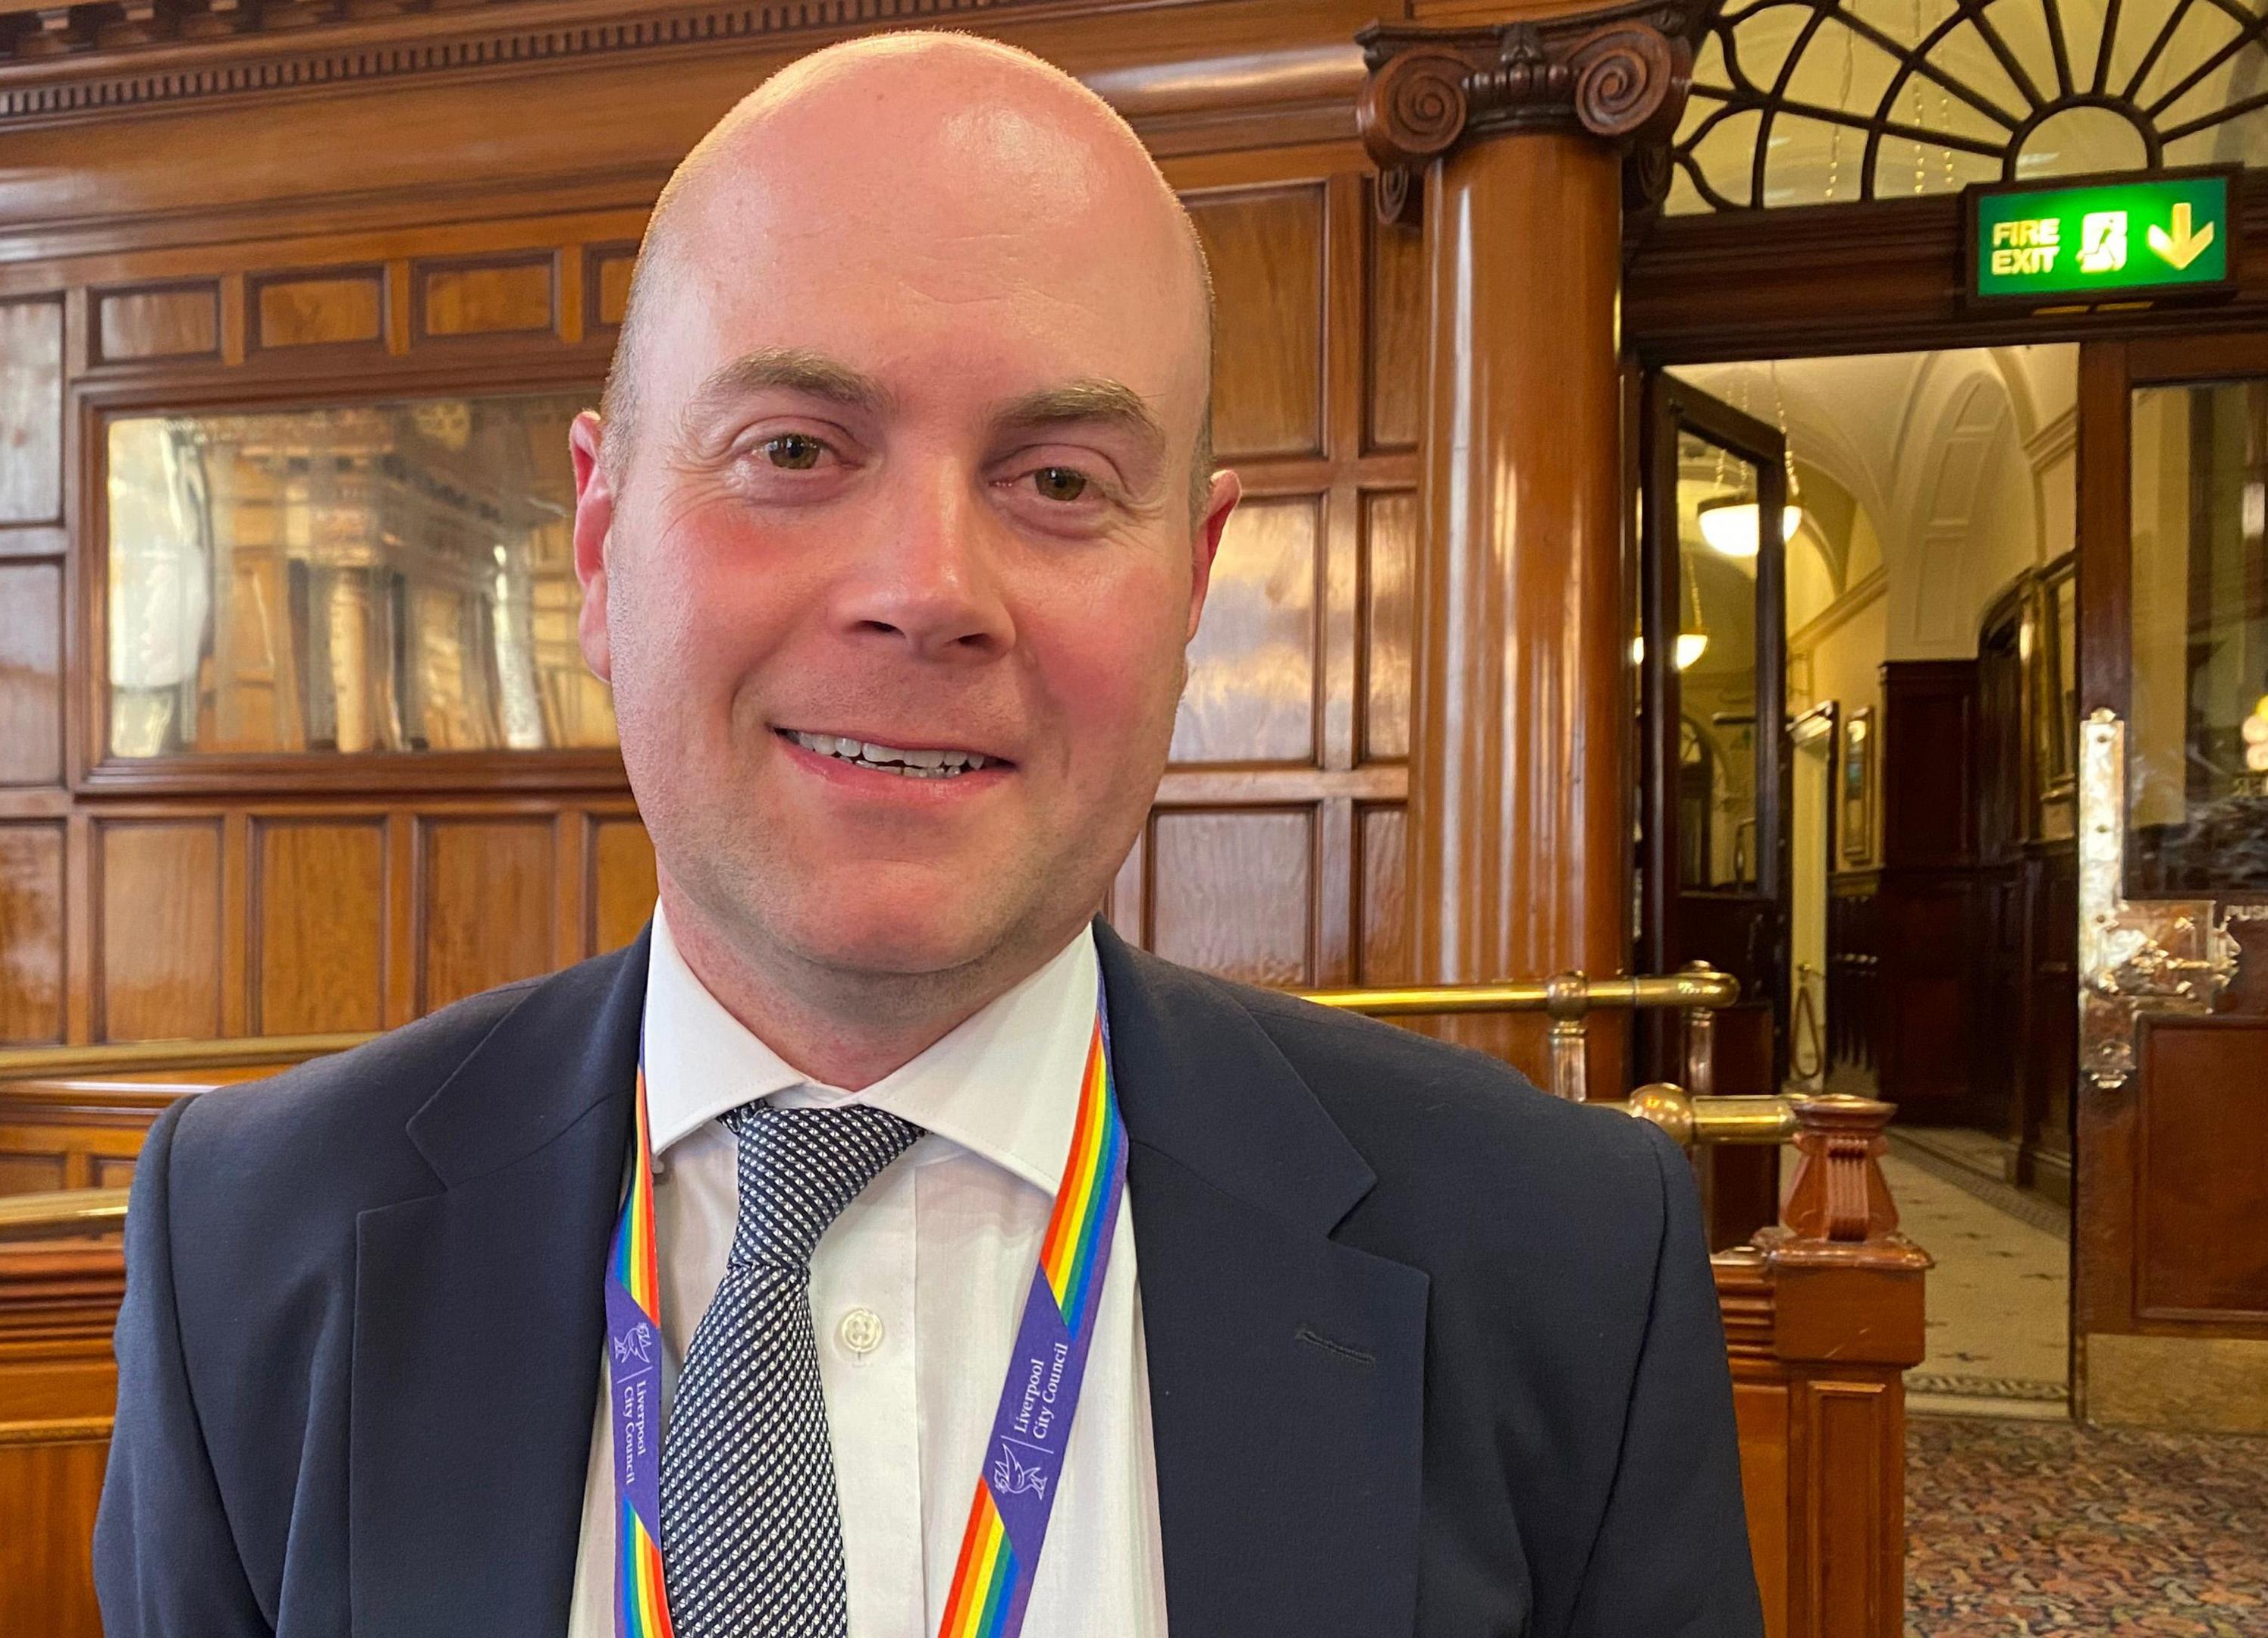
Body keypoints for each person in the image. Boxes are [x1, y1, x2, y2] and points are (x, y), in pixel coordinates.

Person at [95, 30, 1761, 1638]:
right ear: (600, 549)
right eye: (797, 450)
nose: (927, 595)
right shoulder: (254, 1244)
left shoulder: (1560, 1261)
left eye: (1056, 482)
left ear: (1191, 578)